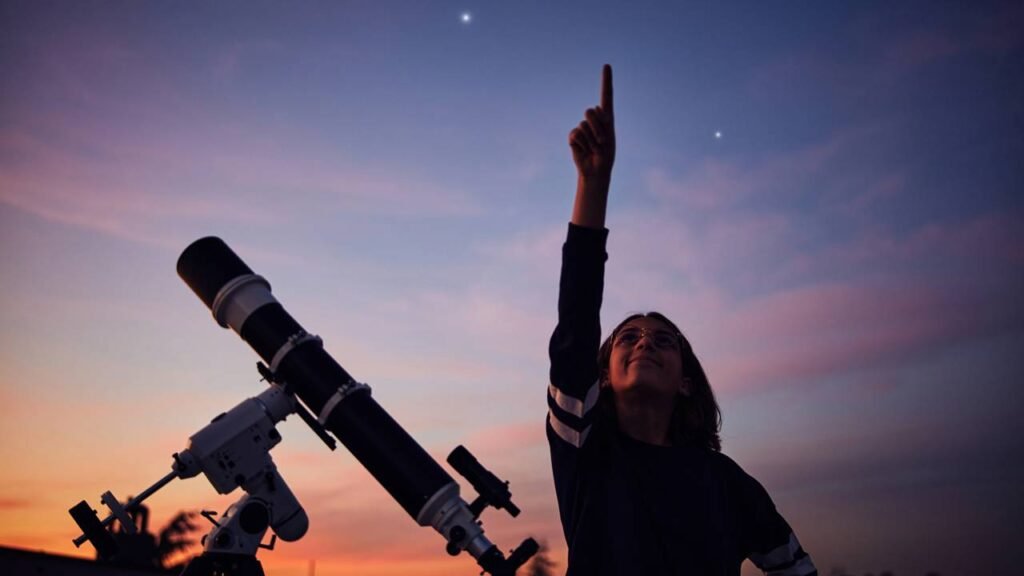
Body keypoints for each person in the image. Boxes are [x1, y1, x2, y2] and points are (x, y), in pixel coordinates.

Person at [547, 64, 818, 576]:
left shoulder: (727, 482)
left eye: (663, 340)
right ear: (602, 376)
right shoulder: (586, 454)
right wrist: (593, 184)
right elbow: (576, 322)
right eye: (628, 337)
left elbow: (796, 569)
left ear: (687, 381)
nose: (644, 342)